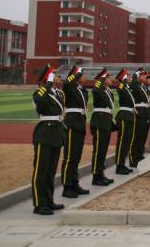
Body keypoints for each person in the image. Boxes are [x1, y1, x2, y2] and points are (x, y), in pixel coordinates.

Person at [30, 64, 65, 215]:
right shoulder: (39, 93)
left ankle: (49, 201)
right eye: (55, 75)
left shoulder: (56, 94)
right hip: (44, 134)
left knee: (51, 171)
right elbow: (41, 101)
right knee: (41, 171)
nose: (58, 77)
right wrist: (48, 82)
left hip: (55, 134)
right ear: (48, 78)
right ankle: (39, 203)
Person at [60, 65, 90, 199]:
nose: (84, 77)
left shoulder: (80, 90)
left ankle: (74, 183)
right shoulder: (70, 87)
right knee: (69, 157)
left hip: (79, 124)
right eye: (81, 75)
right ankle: (67, 187)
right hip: (72, 124)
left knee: (76, 157)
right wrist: (76, 74)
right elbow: (66, 83)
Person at [90, 68, 115, 186]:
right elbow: (95, 91)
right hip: (99, 121)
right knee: (98, 150)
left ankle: (101, 173)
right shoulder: (98, 89)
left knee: (103, 150)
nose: (111, 80)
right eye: (108, 78)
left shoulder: (107, 91)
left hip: (106, 121)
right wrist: (100, 80)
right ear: (104, 80)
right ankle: (96, 176)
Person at [114, 68, 135, 175]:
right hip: (123, 116)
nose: (131, 78)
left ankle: (122, 164)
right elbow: (119, 87)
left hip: (129, 116)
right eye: (129, 76)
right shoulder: (122, 87)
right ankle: (119, 165)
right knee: (122, 141)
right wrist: (122, 79)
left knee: (127, 141)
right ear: (125, 79)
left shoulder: (128, 88)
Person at [130, 68, 150, 167]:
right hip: (139, 113)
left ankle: (139, 155)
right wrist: (135, 75)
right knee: (137, 137)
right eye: (142, 75)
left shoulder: (142, 86)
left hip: (144, 113)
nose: (145, 77)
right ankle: (134, 158)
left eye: (145, 75)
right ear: (138, 76)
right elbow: (132, 84)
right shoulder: (135, 85)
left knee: (142, 136)